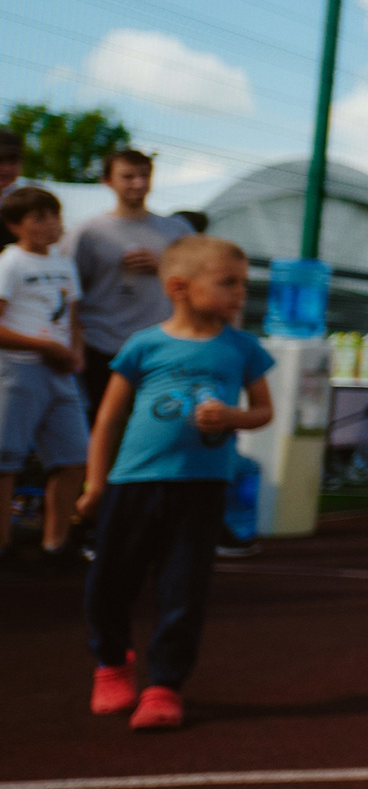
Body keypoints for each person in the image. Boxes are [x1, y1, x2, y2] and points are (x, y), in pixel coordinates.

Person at [75, 234, 273, 731]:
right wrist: (96, 484)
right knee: (108, 584)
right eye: (227, 283)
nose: (239, 294)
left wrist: (232, 416)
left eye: (243, 284)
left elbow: (264, 411)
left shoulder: (244, 348)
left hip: (202, 488)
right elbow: (108, 420)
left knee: (183, 589)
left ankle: (164, 685)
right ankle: (112, 663)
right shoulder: (145, 344)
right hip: (134, 483)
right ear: (179, 287)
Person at [1, 185, 91, 566]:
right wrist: (46, 348)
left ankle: (54, 545)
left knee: (74, 457)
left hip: (60, 373)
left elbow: (72, 318)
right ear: (14, 225)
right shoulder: (10, 263)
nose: (50, 224)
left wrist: (75, 354)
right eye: (39, 217)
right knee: (6, 460)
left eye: (54, 215)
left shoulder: (64, 264)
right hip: (18, 369)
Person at [72, 149, 194, 429]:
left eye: (144, 175)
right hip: (103, 347)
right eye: (128, 177)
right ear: (107, 181)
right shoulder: (89, 231)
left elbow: (201, 277)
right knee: (101, 427)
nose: (138, 183)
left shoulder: (176, 229)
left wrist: (164, 265)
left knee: (154, 427)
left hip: (161, 346)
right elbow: (70, 294)